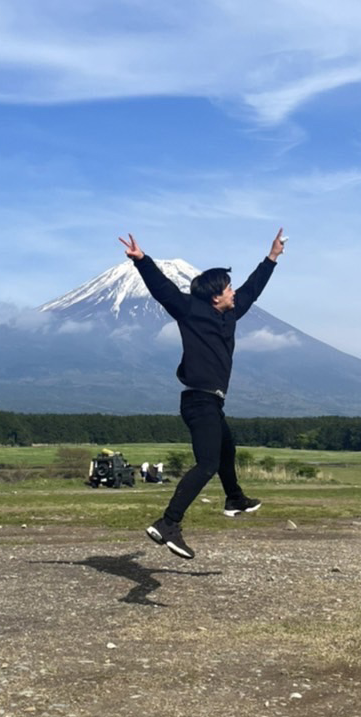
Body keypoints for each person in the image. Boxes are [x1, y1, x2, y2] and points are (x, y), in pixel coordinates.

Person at [117, 228, 286, 560]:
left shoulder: (231, 314)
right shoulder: (192, 311)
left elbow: (252, 289)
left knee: (227, 450)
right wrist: (142, 261)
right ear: (214, 296)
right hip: (199, 400)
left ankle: (234, 498)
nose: (233, 292)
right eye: (228, 288)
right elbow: (164, 290)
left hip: (212, 401)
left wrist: (272, 258)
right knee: (207, 463)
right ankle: (168, 523)